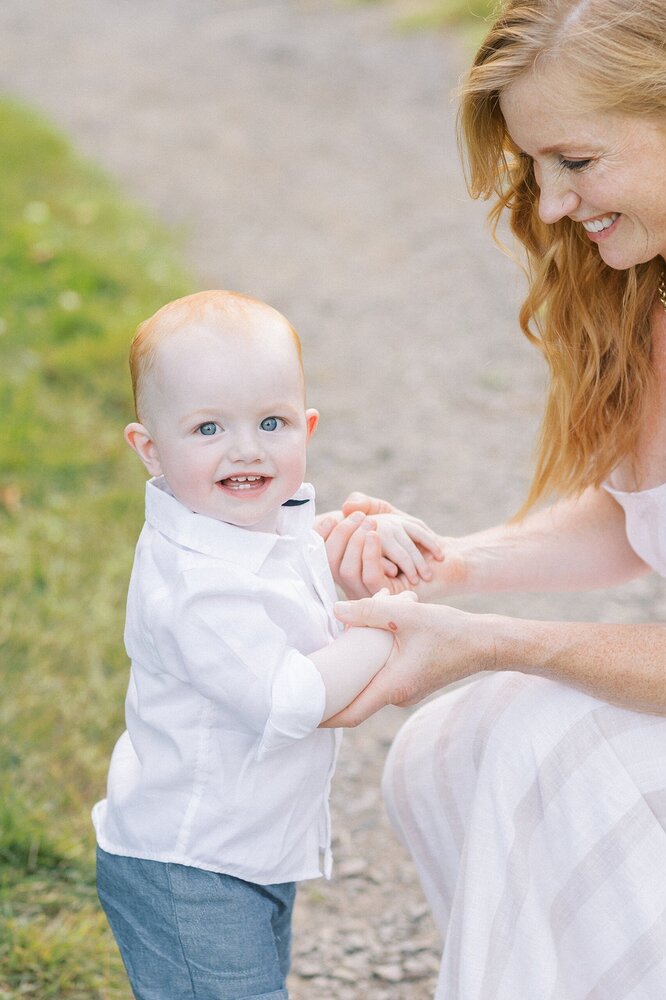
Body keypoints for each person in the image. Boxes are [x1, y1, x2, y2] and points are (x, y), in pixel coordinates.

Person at [318, 0, 666, 996]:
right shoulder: (655, 287)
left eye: (575, 162)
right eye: (535, 169)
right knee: (441, 746)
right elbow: (640, 517)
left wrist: (491, 638)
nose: (546, 205)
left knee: (549, 745)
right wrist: (445, 563)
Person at [92, 290, 438, 1000]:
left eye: (271, 421)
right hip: (189, 869)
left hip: (247, 849)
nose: (245, 448)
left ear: (306, 427)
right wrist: (392, 617)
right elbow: (291, 698)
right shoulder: (194, 585)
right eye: (209, 427)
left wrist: (363, 539)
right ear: (150, 449)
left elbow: (299, 566)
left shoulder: (258, 525)